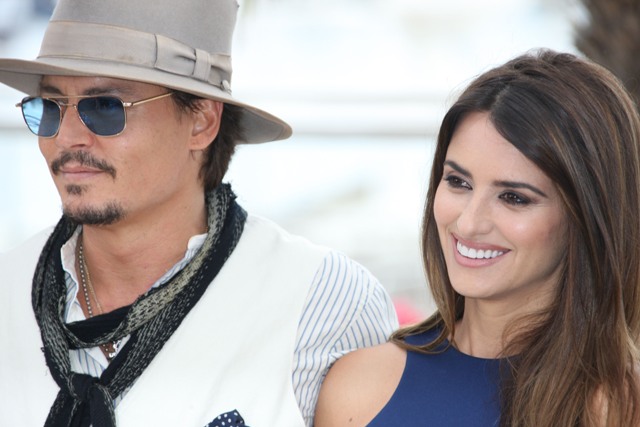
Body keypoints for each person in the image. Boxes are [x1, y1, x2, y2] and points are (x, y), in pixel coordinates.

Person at [0, 1, 398, 426]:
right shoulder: (9, 290)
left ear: (202, 122)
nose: (66, 137)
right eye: (50, 107)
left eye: (105, 107)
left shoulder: (327, 305)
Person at [314, 49, 640, 426]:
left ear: (587, 216)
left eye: (513, 197)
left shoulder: (618, 406)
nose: (468, 224)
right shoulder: (358, 386)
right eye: (458, 182)